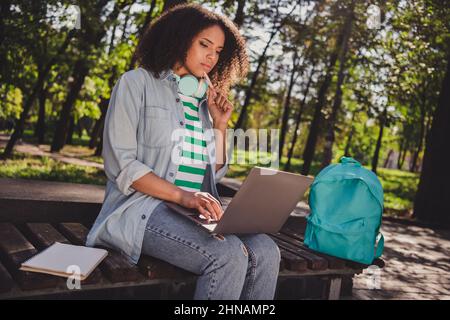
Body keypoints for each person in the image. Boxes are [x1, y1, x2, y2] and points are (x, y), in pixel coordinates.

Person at [86, 3, 280, 300]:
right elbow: (121, 165)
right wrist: (183, 195)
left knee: (267, 250)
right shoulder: (136, 83)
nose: (212, 57)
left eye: (218, 50)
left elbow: (214, 173)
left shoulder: (204, 103)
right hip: (142, 210)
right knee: (227, 256)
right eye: (205, 44)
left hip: (192, 214)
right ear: (180, 38)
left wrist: (220, 124)